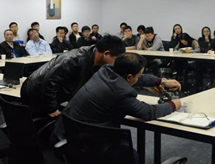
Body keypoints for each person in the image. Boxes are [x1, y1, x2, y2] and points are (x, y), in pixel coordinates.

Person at [21, 35, 181, 118]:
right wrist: (51, 108)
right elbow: (50, 82)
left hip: (59, 96)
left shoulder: (100, 62)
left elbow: (125, 74)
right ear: (106, 54)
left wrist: (160, 81)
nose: (118, 64)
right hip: (35, 92)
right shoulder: (75, 59)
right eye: (117, 60)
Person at [54, 53, 182, 139]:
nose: (139, 78)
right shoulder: (122, 94)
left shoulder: (106, 70)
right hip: (82, 140)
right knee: (130, 157)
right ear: (129, 77)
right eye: (138, 75)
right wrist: (173, 104)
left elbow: (135, 77)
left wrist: (161, 81)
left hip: (65, 130)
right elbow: (148, 112)